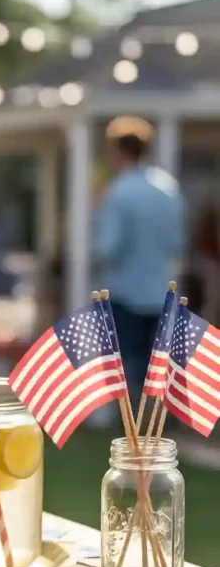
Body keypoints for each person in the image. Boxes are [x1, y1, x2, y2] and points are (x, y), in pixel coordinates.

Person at [94, 117, 185, 402]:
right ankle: (157, 430)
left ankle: (132, 431)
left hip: (127, 293)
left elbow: (108, 248)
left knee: (127, 370)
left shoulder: (120, 191)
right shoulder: (168, 188)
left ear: (119, 150)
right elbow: (177, 242)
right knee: (157, 369)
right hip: (162, 293)